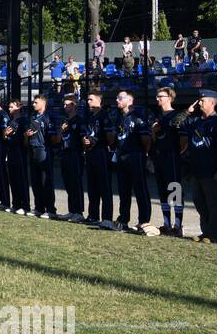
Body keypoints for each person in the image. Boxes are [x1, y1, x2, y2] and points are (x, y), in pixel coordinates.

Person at [180, 89, 217, 243]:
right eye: (199, 100)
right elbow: (175, 123)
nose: (199, 103)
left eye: (203, 100)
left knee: (214, 203)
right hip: (197, 170)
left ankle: (214, 235)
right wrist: (187, 112)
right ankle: (206, 232)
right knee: (199, 201)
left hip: (212, 170)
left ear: (212, 103)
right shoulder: (195, 121)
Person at [112, 90, 160, 236]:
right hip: (122, 156)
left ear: (130, 101)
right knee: (123, 190)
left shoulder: (138, 116)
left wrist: (144, 153)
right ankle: (123, 219)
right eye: (117, 97)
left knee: (140, 189)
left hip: (135, 155)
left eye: (120, 98)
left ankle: (144, 221)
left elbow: (146, 138)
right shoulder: (120, 117)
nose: (117, 100)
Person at [149, 87, 186, 236]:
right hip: (159, 157)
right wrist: (153, 132)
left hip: (172, 157)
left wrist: (177, 153)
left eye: (160, 96)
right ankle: (166, 223)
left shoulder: (178, 115)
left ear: (169, 98)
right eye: (157, 96)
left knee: (174, 189)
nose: (157, 99)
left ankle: (177, 225)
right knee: (162, 190)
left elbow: (184, 140)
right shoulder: (156, 117)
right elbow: (153, 140)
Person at [83, 90, 113, 228]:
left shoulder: (104, 116)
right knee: (92, 186)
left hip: (101, 153)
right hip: (90, 154)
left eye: (91, 99)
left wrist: (96, 141)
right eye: (88, 100)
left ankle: (107, 218)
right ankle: (93, 215)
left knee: (104, 187)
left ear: (99, 101)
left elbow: (109, 138)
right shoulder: (90, 117)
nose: (88, 102)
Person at [25, 94, 55, 219]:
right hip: (32, 151)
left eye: (36, 102)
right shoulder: (32, 117)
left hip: (43, 152)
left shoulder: (49, 117)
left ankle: (50, 209)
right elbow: (27, 136)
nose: (33, 104)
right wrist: (26, 135)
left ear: (43, 103)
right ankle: (38, 207)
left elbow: (53, 138)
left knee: (45, 182)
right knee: (35, 181)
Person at [57, 95, 86, 222]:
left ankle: (78, 212)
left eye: (67, 104)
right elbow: (59, 139)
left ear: (74, 105)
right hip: (65, 154)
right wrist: (60, 130)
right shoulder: (64, 121)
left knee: (75, 183)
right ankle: (72, 210)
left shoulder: (79, 121)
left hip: (75, 154)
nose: (64, 106)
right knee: (68, 183)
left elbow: (83, 140)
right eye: (64, 104)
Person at [4, 99, 30, 215]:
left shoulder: (23, 120)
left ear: (19, 107)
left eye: (12, 107)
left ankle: (25, 206)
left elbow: (25, 139)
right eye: (9, 107)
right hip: (10, 151)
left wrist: (24, 137)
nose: (9, 109)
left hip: (19, 152)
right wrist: (5, 135)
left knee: (21, 179)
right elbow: (5, 138)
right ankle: (15, 204)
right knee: (13, 179)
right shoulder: (10, 121)